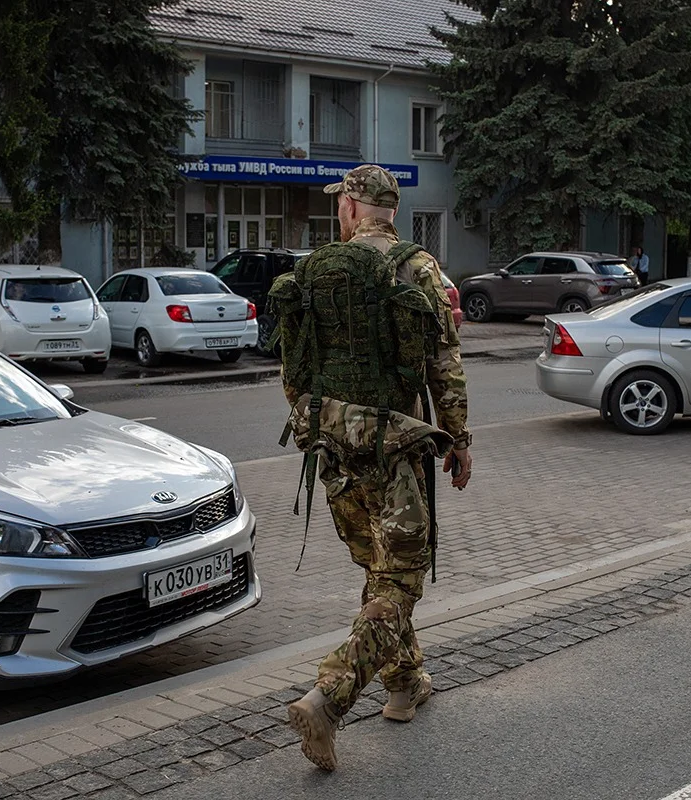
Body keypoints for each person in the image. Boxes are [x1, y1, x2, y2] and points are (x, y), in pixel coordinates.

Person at [272, 165, 473, 771]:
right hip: (397, 452)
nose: (338, 213)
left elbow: (293, 376)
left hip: (334, 456)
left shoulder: (314, 273)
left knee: (378, 577)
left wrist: (329, 426)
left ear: (355, 207)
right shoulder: (420, 269)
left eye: (341, 203)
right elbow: (445, 364)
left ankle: (405, 684)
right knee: (399, 584)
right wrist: (456, 438)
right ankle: (328, 698)